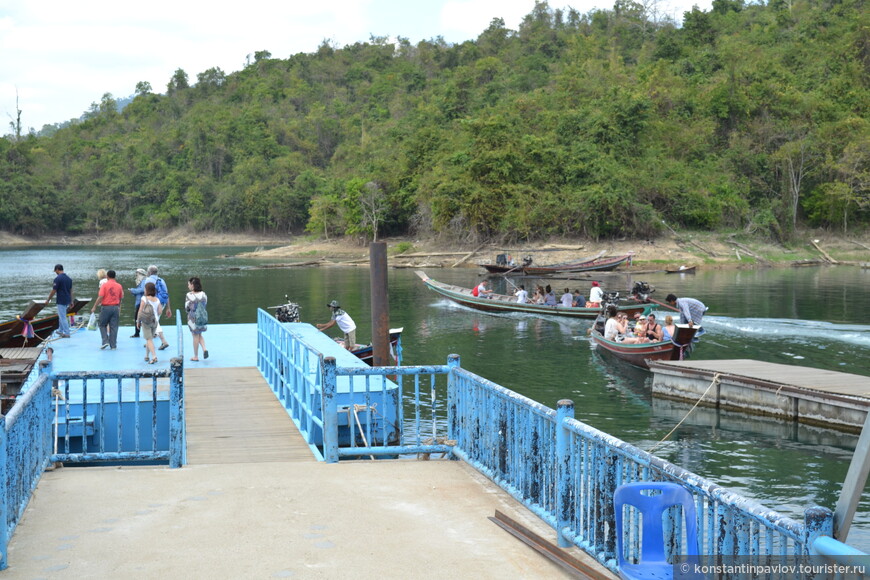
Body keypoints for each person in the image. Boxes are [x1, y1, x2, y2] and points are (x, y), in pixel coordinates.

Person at [91, 269, 124, 350]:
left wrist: (94, 306)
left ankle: (105, 341)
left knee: (102, 324)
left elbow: (101, 296)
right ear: (115, 276)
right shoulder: (119, 286)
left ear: (107, 276)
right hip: (115, 307)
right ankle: (113, 345)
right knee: (114, 326)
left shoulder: (104, 285)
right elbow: (121, 297)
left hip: (106, 307)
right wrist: (119, 308)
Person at [144, 265, 171, 350]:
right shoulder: (162, 280)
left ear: (150, 272)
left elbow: (146, 293)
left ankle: (164, 341)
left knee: (154, 322)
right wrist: (168, 308)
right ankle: (149, 341)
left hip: (152, 302)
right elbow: (166, 294)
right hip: (161, 303)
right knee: (154, 320)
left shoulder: (148, 280)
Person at [45, 264, 74, 338]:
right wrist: (71, 301)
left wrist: (48, 299)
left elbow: (54, 290)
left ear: (58, 269)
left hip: (61, 300)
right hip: (67, 300)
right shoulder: (69, 279)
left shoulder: (57, 279)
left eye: (55, 271)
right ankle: (60, 330)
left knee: (62, 317)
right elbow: (71, 291)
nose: (55, 272)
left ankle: (67, 333)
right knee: (62, 315)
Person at [137, 282, 162, 364]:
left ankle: (154, 356)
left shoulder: (144, 298)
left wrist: (138, 321)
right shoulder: (157, 299)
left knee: (149, 339)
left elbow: (140, 311)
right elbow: (159, 311)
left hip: (146, 321)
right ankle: (147, 355)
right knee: (149, 338)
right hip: (155, 321)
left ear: (147, 290)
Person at [185, 277, 209, 361]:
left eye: (189, 284)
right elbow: (205, 304)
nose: (188, 286)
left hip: (193, 319)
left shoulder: (189, 295)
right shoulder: (204, 294)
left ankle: (195, 356)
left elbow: (187, 307)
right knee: (200, 334)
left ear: (192, 285)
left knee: (195, 336)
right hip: (202, 318)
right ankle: (204, 349)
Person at [128, 268, 148, 338]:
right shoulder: (141, 281)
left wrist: (133, 290)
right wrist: (133, 292)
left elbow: (142, 290)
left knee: (138, 318)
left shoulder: (144, 281)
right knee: (137, 318)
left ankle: (137, 333)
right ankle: (137, 332)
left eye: (137, 274)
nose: (136, 275)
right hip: (139, 301)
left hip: (141, 302)